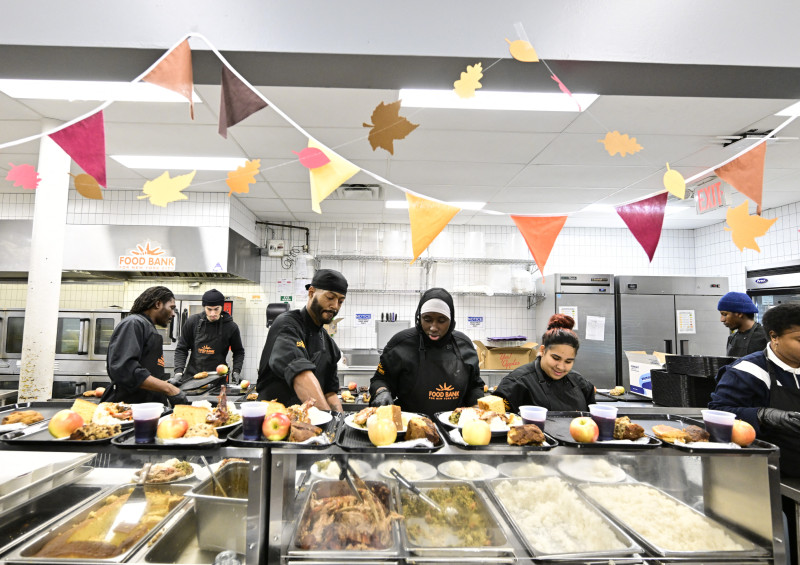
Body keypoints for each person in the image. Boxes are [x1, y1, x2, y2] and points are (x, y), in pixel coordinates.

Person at [709, 302, 800, 476]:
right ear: (774, 337)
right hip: (771, 473)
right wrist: (763, 416)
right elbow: (718, 414)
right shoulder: (747, 371)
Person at [369, 288, 484, 415]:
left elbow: (474, 386)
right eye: (427, 319)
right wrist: (381, 392)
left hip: (453, 427)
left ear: (451, 321)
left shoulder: (464, 346)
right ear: (419, 317)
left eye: (441, 320)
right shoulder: (400, 344)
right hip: (409, 426)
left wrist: (476, 406)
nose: (433, 327)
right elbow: (380, 379)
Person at [256, 269, 346, 412]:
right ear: (311, 292)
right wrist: (327, 418)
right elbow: (300, 374)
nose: (335, 306)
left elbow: (330, 393)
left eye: (340, 301)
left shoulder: (329, 343)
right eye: (330, 297)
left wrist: (338, 422)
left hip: (308, 426)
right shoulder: (287, 324)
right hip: (273, 420)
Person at [102, 286, 188, 406]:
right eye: (171, 308)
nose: (173, 314)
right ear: (158, 304)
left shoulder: (148, 326)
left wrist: (165, 383)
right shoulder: (133, 323)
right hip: (129, 408)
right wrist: (168, 389)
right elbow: (125, 370)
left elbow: (144, 370)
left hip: (147, 406)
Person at [495, 314, 595, 412]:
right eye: (556, 358)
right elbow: (493, 418)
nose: (560, 367)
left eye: (568, 361)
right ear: (542, 350)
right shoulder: (517, 382)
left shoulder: (580, 383)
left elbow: (593, 419)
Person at [170, 289, 245, 386]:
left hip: (217, 380)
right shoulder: (193, 322)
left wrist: (236, 371)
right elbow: (181, 348)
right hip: (192, 378)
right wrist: (178, 372)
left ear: (222, 307)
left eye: (216, 309)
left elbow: (238, 351)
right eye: (209, 309)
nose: (212, 313)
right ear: (204, 307)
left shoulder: (231, 327)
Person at [718, 291, 768, 358]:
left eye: (725, 314)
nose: (722, 319)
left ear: (739, 314)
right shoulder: (732, 338)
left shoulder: (766, 337)